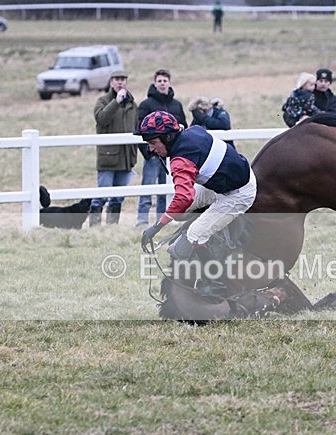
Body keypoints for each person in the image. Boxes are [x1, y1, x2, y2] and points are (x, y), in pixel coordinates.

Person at [136, 111, 256, 284]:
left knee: (195, 234)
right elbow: (184, 200)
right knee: (181, 212)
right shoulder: (191, 131)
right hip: (228, 181)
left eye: (153, 143)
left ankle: (215, 281)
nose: (150, 149)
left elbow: (184, 197)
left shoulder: (180, 161)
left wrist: (156, 227)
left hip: (239, 194)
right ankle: (210, 235)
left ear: (169, 137)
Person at [136, 69, 187, 227]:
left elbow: (184, 126)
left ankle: (161, 219)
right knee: (148, 186)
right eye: (159, 81)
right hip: (152, 154)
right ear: (155, 83)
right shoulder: (146, 105)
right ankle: (142, 220)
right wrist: (148, 151)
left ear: (169, 83)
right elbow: (139, 129)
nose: (162, 83)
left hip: (171, 154)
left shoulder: (176, 105)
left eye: (165, 80)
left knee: (166, 188)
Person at [90, 70, 138, 226]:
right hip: (108, 157)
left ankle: (112, 228)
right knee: (102, 195)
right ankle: (95, 227)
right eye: (117, 79)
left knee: (118, 197)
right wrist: (116, 102)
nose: (120, 82)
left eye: (123, 79)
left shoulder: (132, 104)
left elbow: (136, 127)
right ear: (111, 82)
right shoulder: (102, 101)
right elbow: (102, 119)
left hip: (126, 158)